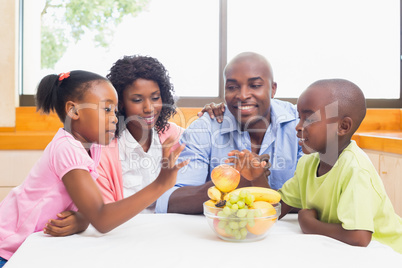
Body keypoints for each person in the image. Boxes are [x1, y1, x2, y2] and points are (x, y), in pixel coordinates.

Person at [0, 70, 188, 266]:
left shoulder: (93, 146)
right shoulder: (67, 148)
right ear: (73, 111)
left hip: (36, 249)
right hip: (8, 249)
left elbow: (91, 208)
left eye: (115, 111)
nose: (115, 118)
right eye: (106, 110)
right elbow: (102, 219)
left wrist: (83, 218)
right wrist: (161, 185)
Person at [43, 55, 224, 236]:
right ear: (120, 103)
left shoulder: (173, 135)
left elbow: (203, 150)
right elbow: (102, 213)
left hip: (174, 230)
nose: (148, 108)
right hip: (125, 235)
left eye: (155, 97)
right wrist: (83, 219)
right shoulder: (103, 150)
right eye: (137, 100)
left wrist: (212, 116)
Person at [155, 52, 303, 214]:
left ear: (273, 89)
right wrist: (233, 182)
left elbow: (317, 195)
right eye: (232, 87)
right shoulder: (204, 129)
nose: (243, 95)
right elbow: (170, 201)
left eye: (255, 86)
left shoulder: (299, 124)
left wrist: (256, 181)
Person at [278, 79, 402, 254]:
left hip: (386, 252)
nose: (298, 126)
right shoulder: (308, 163)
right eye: (300, 117)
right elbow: (280, 204)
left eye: (310, 118)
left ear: (343, 126)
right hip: (342, 252)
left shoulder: (355, 169)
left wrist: (309, 225)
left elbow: (359, 238)